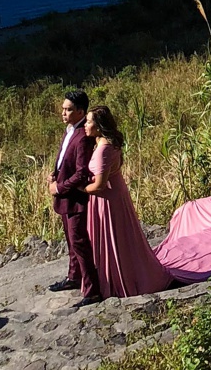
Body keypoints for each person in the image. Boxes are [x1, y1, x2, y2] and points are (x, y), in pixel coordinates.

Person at [83, 105, 172, 299]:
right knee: (122, 239)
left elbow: (99, 185)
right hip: (115, 196)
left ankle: (118, 280)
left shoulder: (103, 150)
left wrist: (78, 188)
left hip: (107, 200)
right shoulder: (104, 143)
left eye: (89, 121)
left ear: (99, 126)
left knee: (116, 240)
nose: (85, 125)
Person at [48, 90, 101, 302]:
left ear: (81, 111)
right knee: (71, 240)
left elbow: (81, 173)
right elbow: (63, 158)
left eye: (68, 109)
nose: (63, 113)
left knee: (79, 242)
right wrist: (54, 173)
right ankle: (74, 276)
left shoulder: (83, 137)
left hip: (76, 198)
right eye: (63, 109)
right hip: (65, 195)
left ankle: (92, 290)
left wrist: (59, 187)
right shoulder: (70, 130)